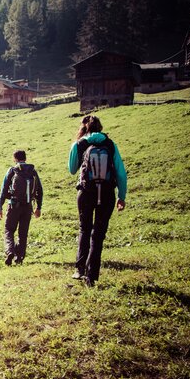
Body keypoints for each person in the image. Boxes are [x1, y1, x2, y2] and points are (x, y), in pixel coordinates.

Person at [69, 115, 127, 287]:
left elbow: (72, 170)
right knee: (98, 234)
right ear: (100, 127)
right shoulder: (110, 144)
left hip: (86, 193)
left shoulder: (80, 144)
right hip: (107, 193)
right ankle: (91, 276)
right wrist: (121, 196)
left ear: (84, 128)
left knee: (84, 229)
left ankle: (79, 269)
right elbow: (121, 174)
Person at [0, 150, 43, 265]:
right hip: (27, 207)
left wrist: (0, 207)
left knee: (9, 230)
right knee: (23, 233)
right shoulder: (32, 171)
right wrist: (38, 207)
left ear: (15, 159)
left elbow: (4, 189)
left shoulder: (13, 170)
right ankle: (19, 257)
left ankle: (10, 252)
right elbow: (40, 190)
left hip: (14, 205)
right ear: (25, 158)